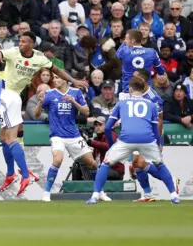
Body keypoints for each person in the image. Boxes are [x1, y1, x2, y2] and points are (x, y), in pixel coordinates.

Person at [0, 31, 88, 190]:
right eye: (19, 41)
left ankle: (22, 174)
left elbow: (57, 70)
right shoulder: (12, 52)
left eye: (23, 42)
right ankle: (13, 173)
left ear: (31, 44)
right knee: (5, 137)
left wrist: (74, 80)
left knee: (9, 139)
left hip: (11, 98)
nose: (20, 44)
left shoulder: (39, 58)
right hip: (5, 97)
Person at [87, 77, 179, 205]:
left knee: (106, 163)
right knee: (160, 164)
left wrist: (111, 145)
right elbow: (155, 128)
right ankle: (174, 195)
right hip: (147, 139)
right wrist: (157, 144)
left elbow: (107, 127)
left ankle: (95, 195)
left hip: (127, 139)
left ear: (130, 88)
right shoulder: (151, 105)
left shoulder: (122, 103)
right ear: (143, 89)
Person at [35, 74, 108, 202]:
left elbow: (86, 112)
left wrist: (74, 102)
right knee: (57, 160)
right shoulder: (50, 94)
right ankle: (46, 193)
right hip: (57, 135)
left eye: (57, 78)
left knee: (92, 164)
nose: (55, 80)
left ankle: (100, 192)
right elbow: (36, 115)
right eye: (55, 78)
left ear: (65, 80)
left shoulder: (76, 92)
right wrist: (40, 101)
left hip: (73, 135)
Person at [116, 29, 165, 94]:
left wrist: (124, 43)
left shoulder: (125, 51)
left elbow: (117, 54)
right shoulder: (151, 52)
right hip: (145, 90)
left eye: (126, 39)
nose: (125, 41)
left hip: (128, 90)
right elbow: (161, 72)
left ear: (133, 40)